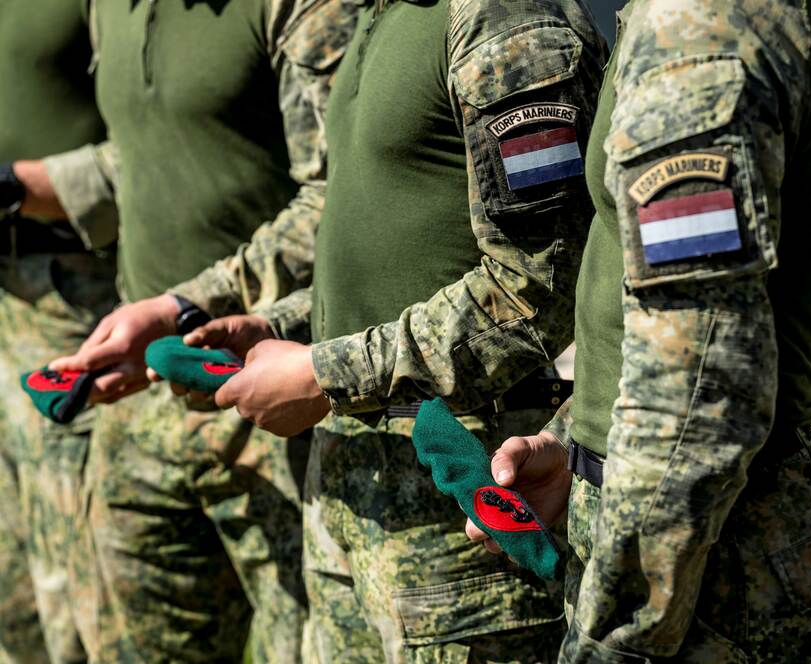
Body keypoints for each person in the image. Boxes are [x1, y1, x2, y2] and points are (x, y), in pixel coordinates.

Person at [181, 0, 607, 660]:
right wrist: (281, 326)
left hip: (459, 515)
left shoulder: (506, 18)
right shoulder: (376, 15)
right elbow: (391, 245)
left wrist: (325, 374)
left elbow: (539, 284)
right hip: (345, 498)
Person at [467, 1, 811, 661]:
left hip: (712, 566)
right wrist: (576, 442)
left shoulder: (700, 23)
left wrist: (616, 635)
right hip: (699, 534)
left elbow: (697, 388)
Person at [23, 0, 357, 660]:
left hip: (271, 388)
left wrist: (187, 307)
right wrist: (23, 186)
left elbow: (347, 194)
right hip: (142, 388)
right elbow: (152, 147)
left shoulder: (301, 8)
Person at [0, 2, 119, 662]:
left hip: (76, 295)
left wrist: (14, 187)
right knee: (14, 583)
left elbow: (174, 153)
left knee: (80, 582)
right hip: (7, 294)